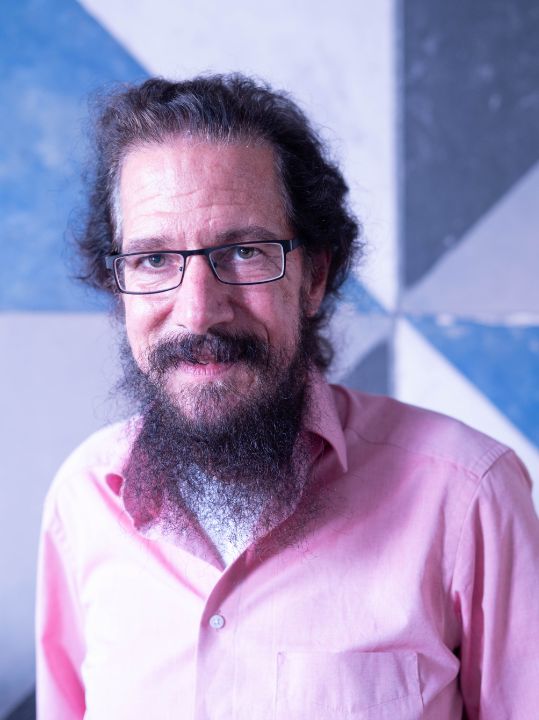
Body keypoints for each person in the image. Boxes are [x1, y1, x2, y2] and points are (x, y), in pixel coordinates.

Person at [36, 74, 539, 720]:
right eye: (154, 260)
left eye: (244, 251)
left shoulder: (468, 495)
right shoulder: (82, 500)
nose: (197, 312)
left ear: (314, 276)